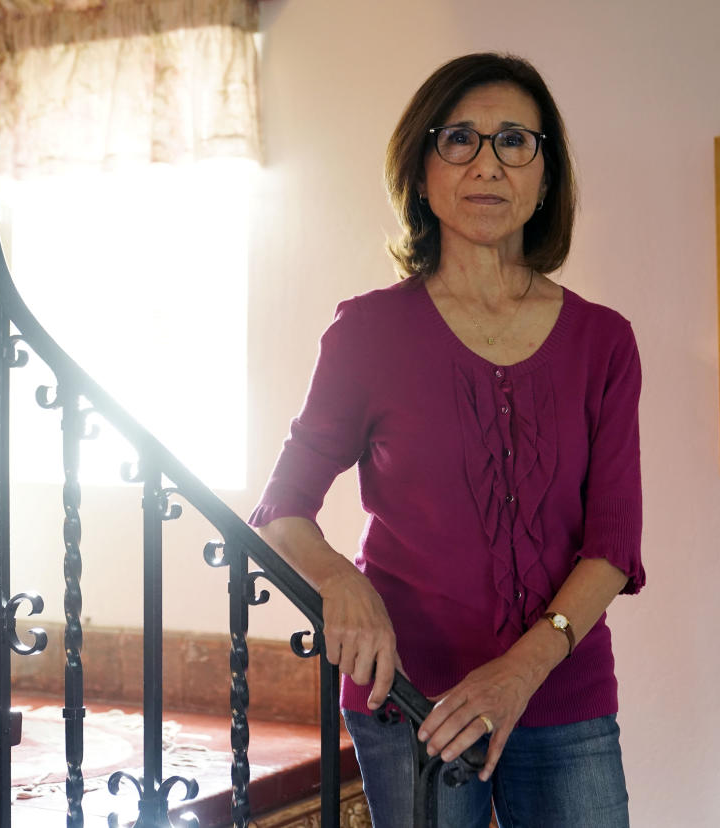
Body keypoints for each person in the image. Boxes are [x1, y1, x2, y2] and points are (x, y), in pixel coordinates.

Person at [250, 53, 644, 828]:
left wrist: (518, 674)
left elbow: (613, 545)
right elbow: (280, 511)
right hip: (409, 699)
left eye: (514, 142)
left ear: (544, 177)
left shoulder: (605, 342)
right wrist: (340, 580)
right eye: (459, 139)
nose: (488, 164)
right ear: (422, 172)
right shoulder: (367, 332)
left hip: (564, 698)